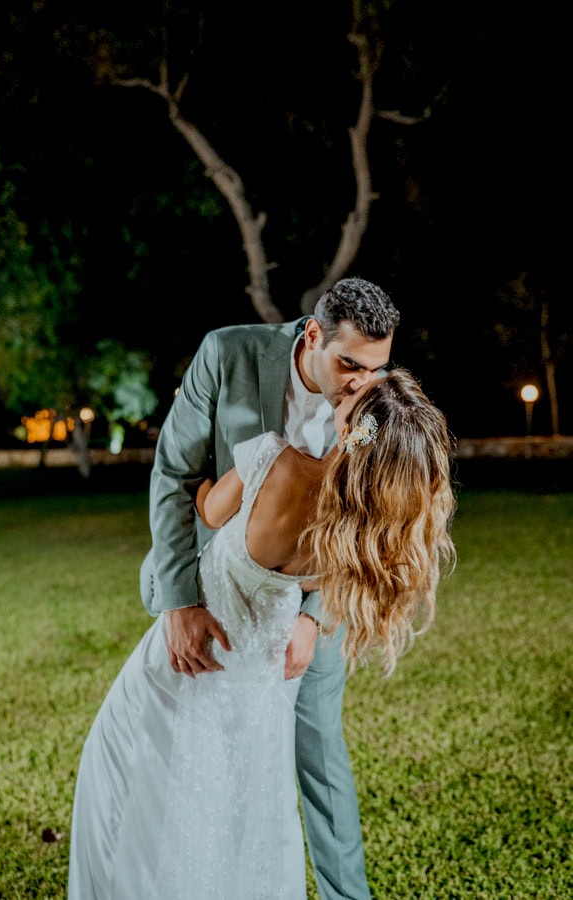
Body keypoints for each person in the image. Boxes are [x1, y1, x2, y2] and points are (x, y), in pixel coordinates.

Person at [67, 367, 457, 900]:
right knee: (244, 822)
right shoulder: (365, 538)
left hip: (185, 663)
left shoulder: (272, 458)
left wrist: (201, 455)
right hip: (264, 686)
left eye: (351, 395)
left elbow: (205, 507)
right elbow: (326, 598)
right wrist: (310, 618)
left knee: (121, 782)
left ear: (349, 429)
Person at [138, 277, 400, 900]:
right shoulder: (226, 354)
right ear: (313, 336)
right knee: (209, 765)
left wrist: (313, 616)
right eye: (350, 364)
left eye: (378, 368)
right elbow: (177, 476)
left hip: (315, 603)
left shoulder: (371, 408)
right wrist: (180, 601)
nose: (364, 382)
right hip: (223, 599)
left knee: (322, 761)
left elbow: (364, 525)